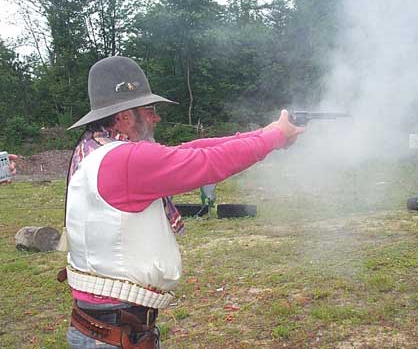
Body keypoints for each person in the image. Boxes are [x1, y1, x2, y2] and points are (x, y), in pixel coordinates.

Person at [59, 56, 304, 349]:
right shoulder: (124, 159)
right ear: (124, 116)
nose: (156, 117)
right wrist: (274, 138)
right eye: (148, 110)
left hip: (111, 327)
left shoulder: (96, 149)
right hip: (116, 333)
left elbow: (190, 149)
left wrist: (263, 134)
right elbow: (208, 161)